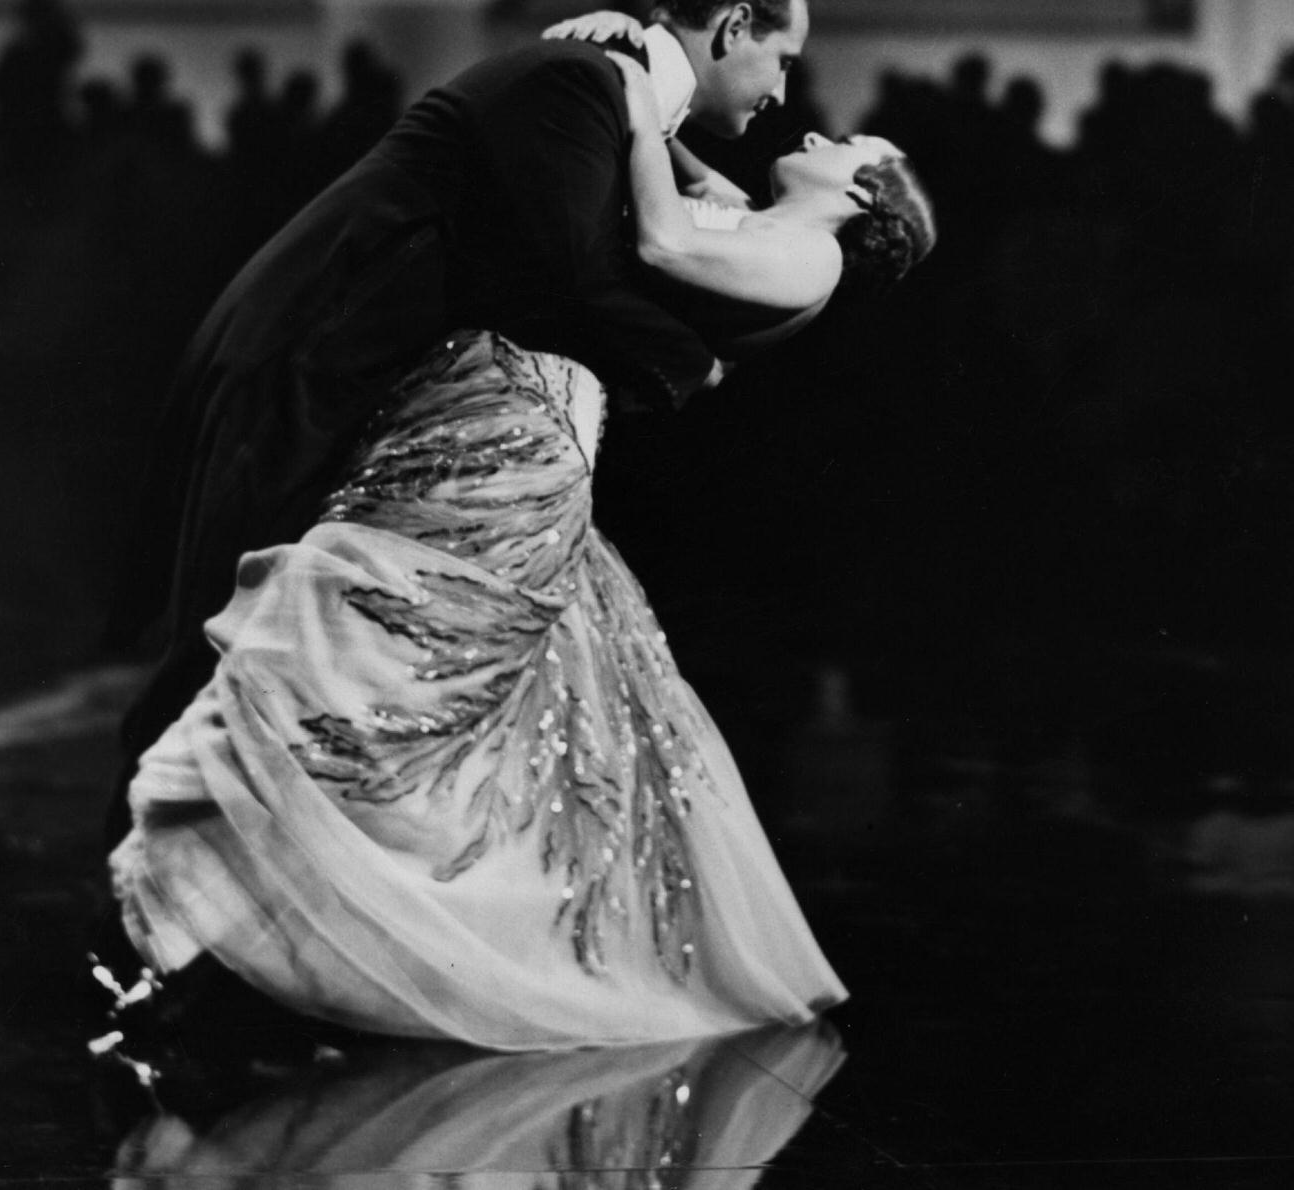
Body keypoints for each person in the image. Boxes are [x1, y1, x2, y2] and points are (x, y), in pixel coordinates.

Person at [104, 51, 936, 1049]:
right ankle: (253, 938)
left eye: (842, 145)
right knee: (398, 668)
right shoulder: (763, 225)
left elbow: (663, 237)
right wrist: (639, 82)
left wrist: (630, 105)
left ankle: (243, 936)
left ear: (858, 192)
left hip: (527, 427)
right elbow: (673, 194)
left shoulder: (811, 257)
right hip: (496, 400)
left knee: (367, 639)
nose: (810, 131)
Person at [105, 0, 809, 848]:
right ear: (735, 25)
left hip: (354, 374)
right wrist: (699, 367)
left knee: (282, 646)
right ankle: (131, 905)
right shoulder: (579, 81)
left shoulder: (609, 88)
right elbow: (572, 278)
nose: (784, 92)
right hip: (310, 359)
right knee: (226, 637)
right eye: (782, 61)